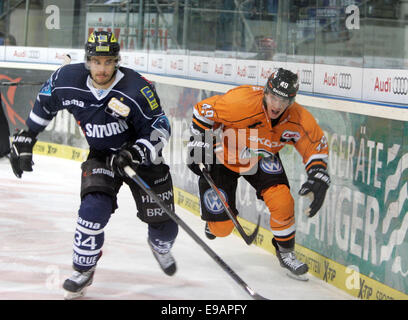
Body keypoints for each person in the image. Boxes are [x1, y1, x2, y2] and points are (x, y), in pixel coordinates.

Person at [9, 31, 178, 299]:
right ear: (88, 60)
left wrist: (136, 152)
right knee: (91, 211)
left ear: (117, 61)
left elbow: (161, 127)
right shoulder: (67, 79)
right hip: (102, 155)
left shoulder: (138, 88)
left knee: (165, 226)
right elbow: (45, 102)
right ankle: (83, 270)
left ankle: (159, 245)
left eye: (108, 62)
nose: (102, 68)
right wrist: (28, 134)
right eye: (96, 61)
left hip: (142, 160)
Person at [187, 68, 330, 280]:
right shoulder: (240, 102)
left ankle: (286, 253)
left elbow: (315, 145)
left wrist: (318, 172)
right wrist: (200, 144)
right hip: (225, 155)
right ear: (265, 92)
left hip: (262, 157)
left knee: (282, 201)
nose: (277, 105)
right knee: (221, 230)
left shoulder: (297, 117)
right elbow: (202, 111)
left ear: (292, 100)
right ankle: (214, 222)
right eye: (273, 97)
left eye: (284, 100)